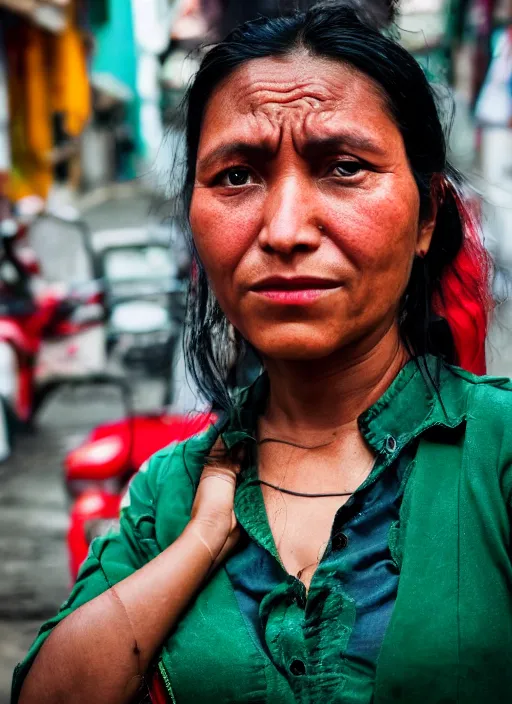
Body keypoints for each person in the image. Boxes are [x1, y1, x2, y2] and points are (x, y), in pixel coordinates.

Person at [12, 4, 512, 704]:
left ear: (429, 215)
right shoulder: (173, 489)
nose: (282, 231)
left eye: (342, 167)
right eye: (237, 177)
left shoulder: (497, 451)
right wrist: (204, 539)